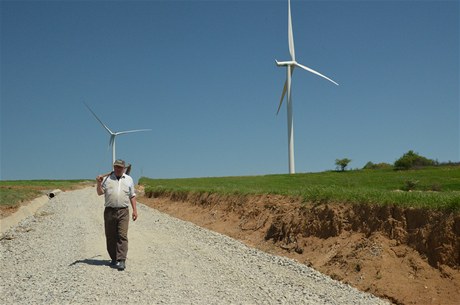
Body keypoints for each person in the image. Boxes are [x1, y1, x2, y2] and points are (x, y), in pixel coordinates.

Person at [96, 159, 138, 271]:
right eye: (116, 167)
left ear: (123, 168)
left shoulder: (129, 179)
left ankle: (122, 260)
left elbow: (132, 195)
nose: (117, 169)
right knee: (110, 236)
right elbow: (100, 193)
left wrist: (135, 210)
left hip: (124, 211)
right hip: (109, 211)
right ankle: (114, 258)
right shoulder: (107, 179)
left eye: (120, 167)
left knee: (122, 235)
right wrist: (99, 183)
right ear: (113, 167)